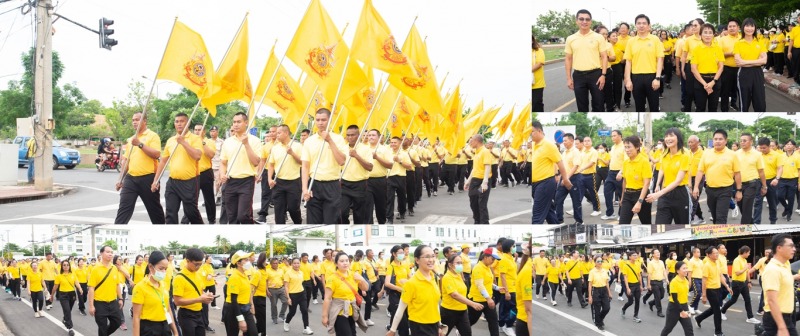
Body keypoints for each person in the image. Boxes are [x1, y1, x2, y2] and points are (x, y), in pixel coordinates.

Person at [151, 113, 204, 224]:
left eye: (182, 121)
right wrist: (156, 180)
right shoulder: (171, 140)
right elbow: (163, 162)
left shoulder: (195, 139)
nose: (179, 124)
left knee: (191, 213)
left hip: (190, 181)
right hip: (173, 182)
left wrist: (183, 142)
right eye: (177, 121)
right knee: (170, 213)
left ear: (187, 123)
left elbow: (197, 156)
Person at [301, 108, 349, 224]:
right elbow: (305, 166)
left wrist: (329, 140)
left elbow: (341, 161)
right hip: (314, 184)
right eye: (317, 120)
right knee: (313, 222)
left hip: (332, 185)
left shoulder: (338, 139)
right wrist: (304, 188)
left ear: (329, 120)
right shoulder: (309, 141)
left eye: (323, 120)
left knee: (331, 221)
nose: (320, 123)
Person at [388, 245, 442, 336]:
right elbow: (400, 309)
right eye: (427, 256)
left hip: (434, 324)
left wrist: (439, 325)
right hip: (419, 327)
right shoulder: (411, 283)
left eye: (433, 256)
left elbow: (435, 304)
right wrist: (392, 330)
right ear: (417, 260)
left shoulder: (433, 278)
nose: (431, 259)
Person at [219, 112, 262, 224]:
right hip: (230, 181)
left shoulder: (254, 141)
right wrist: (222, 174)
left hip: (246, 181)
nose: (236, 124)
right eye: (234, 122)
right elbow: (223, 162)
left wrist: (246, 144)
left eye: (239, 122)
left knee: (243, 216)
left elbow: (256, 162)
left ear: (246, 123)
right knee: (232, 217)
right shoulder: (227, 142)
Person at [693, 129, 742, 224]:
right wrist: (696, 187)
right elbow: (700, 171)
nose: (718, 141)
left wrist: (739, 191)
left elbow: (737, 173)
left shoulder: (732, 155)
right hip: (710, 190)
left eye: (720, 139)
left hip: (725, 190)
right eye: (715, 139)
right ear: (713, 140)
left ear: (726, 141)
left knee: (721, 218)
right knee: (715, 217)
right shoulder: (706, 153)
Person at [564, 9, 608, 112]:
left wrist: (603, 75)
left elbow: (604, 56)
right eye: (581, 19)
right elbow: (568, 58)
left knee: (599, 104)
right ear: (577, 21)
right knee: (582, 106)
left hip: (596, 75)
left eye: (587, 19)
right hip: (578, 76)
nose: (584, 21)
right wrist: (569, 78)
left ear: (591, 21)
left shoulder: (598, 37)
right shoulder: (571, 38)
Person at [646, 128, 690, 224]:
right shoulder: (664, 154)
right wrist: (657, 184)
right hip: (665, 194)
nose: (668, 138)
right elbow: (662, 169)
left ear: (678, 138)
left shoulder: (684, 155)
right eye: (666, 136)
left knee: (682, 228)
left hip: (680, 194)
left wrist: (658, 194)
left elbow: (678, 181)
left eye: (671, 136)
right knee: (660, 227)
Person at [530, 121, 572, 224]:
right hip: (535, 183)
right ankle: (557, 228)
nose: (529, 134)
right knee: (548, 212)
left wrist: (565, 178)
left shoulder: (548, 145)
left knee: (537, 215)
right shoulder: (534, 145)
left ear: (539, 131)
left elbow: (560, 162)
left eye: (531, 132)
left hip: (545, 183)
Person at [263, 124, 304, 224]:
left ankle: (298, 223)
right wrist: (269, 179)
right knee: (279, 210)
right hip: (279, 182)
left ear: (286, 133)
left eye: (279, 133)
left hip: (294, 182)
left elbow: (303, 163)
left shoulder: (297, 146)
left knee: (293, 208)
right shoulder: (275, 148)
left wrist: (292, 153)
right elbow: (271, 165)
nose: (276, 135)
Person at [130, 251, 179, 336]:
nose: (164, 271)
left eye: (165, 269)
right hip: (149, 329)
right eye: (161, 268)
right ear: (150, 267)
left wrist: (175, 331)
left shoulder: (163, 285)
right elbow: (136, 317)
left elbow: (168, 310)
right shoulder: (140, 287)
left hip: (165, 327)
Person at [761, 233, 800, 336]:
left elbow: (783, 280)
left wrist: (796, 277)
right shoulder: (772, 269)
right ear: (779, 248)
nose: (794, 249)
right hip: (776, 319)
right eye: (790, 246)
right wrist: (782, 327)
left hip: (787, 316)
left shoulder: (785, 264)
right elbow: (772, 300)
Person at [323, 251, 370, 335]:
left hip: (352, 310)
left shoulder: (353, 275)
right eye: (341, 261)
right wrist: (325, 316)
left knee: (352, 333)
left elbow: (365, 288)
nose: (345, 263)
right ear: (336, 264)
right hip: (339, 311)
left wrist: (362, 279)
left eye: (346, 260)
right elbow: (327, 298)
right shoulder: (332, 278)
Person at [624, 14, 664, 112]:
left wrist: (657, 78)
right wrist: (628, 80)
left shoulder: (655, 40)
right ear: (635, 25)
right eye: (639, 23)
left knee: (654, 107)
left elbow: (660, 59)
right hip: (636, 78)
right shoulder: (631, 41)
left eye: (644, 23)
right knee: (639, 107)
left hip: (652, 77)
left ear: (649, 25)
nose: (641, 25)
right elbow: (628, 62)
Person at [173, 248, 215, 336]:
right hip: (187, 315)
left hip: (199, 313)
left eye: (200, 264)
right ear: (188, 261)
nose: (198, 267)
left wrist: (207, 295)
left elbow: (200, 291)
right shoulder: (179, 278)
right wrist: (199, 299)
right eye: (196, 264)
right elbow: (177, 301)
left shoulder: (197, 274)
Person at [440, 254, 482, 336]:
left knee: (467, 333)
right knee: (443, 334)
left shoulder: (458, 275)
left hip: (462, 311)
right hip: (449, 311)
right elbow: (454, 295)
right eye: (458, 263)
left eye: (461, 263)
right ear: (450, 264)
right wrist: (472, 304)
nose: (460, 265)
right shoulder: (447, 277)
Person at [338, 125, 373, 224]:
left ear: (358, 135)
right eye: (348, 135)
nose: (350, 137)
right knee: (342, 212)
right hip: (345, 185)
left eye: (352, 135)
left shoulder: (366, 149)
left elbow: (370, 167)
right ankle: (345, 228)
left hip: (360, 185)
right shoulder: (342, 148)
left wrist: (356, 156)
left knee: (359, 215)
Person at [694, 246, 732, 335]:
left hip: (718, 289)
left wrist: (727, 286)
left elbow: (720, 276)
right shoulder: (707, 265)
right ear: (709, 255)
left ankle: (698, 318)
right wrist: (704, 295)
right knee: (717, 311)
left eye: (717, 253)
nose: (716, 254)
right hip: (710, 290)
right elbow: (704, 281)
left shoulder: (717, 263)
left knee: (714, 309)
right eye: (714, 253)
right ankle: (718, 332)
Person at [88, 245, 123, 336]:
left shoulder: (114, 268)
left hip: (113, 302)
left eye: (111, 252)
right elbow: (91, 288)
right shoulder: (96, 269)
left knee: (117, 322)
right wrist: (91, 306)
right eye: (107, 252)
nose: (110, 254)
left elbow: (117, 285)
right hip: (100, 304)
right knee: (102, 327)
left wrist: (120, 298)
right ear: (101, 253)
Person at [734, 18, 768, 111]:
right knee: (744, 104)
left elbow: (764, 60)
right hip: (744, 73)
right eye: (747, 26)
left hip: (758, 73)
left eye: (752, 26)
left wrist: (745, 62)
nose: (749, 28)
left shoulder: (759, 42)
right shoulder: (738, 43)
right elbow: (738, 62)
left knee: (760, 104)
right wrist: (756, 61)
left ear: (755, 28)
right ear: (743, 28)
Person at [689, 24, 725, 111]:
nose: (708, 35)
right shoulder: (696, 49)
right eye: (705, 32)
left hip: (715, 81)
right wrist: (704, 84)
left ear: (714, 35)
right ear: (700, 34)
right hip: (700, 81)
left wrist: (713, 82)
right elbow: (693, 69)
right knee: (700, 108)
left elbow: (721, 67)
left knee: (713, 108)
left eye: (710, 33)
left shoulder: (718, 48)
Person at [618, 136, 653, 224]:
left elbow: (646, 184)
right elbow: (625, 181)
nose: (627, 150)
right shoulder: (626, 162)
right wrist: (622, 197)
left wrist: (639, 202)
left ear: (637, 147)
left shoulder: (644, 161)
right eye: (625, 147)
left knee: (646, 224)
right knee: (623, 223)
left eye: (629, 147)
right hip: (628, 195)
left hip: (641, 195)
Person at [720, 246, 759, 324]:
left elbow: (747, 272)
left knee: (747, 300)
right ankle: (722, 311)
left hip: (744, 283)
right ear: (744, 252)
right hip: (737, 283)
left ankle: (750, 317)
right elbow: (737, 273)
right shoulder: (737, 260)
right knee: (733, 300)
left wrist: (749, 282)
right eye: (748, 253)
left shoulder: (744, 260)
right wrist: (745, 268)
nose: (749, 254)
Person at [734, 133, 767, 224]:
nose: (742, 142)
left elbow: (761, 172)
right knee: (741, 207)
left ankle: (743, 231)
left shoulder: (757, 154)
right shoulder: (736, 154)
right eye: (741, 141)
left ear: (751, 142)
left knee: (747, 207)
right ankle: (751, 224)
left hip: (751, 184)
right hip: (739, 185)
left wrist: (764, 186)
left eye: (745, 141)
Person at [222, 251, 257, 336]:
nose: (248, 262)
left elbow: (248, 292)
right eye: (245, 260)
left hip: (245, 308)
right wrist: (240, 319)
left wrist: (251, 304)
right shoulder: (234, 277)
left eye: (248, 260)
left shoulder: (244, 275)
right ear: (238, 263)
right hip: (233, 309)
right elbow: (234, 300)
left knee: (253, 333)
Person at [190, 124, 218, 223]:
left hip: (206, 173)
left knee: (209, 198)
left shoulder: (209, 142)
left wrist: (202, 142)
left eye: (200, 130)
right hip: (193, 173)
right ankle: (187, 219)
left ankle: (212, 219)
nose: (197, 132)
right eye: (196, 130)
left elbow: (211, 155)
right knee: (190, 199)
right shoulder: (191, 141)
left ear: (204, 131)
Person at [554, 133, 584, 224]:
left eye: (565, 141)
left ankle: (579, 221)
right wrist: (559, 175)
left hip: (574, 178)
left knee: (576, 201)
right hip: (563, 178)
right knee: (558, 199)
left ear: (571, 140)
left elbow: (575, 166)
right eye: (563, 141)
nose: (564, 143)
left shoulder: (575, 152)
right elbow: (562, 166)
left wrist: (566, 178)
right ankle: (559, 220)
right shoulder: (564, 152)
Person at [754, 138, 784, 224]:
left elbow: (780, 168)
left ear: (769, 146)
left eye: (764, 148)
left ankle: (773, 221)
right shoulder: (757, 155)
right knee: (757, 203)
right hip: (759, 181)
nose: (762, 150)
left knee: (772, 203)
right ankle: (756, 222)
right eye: (760, 148)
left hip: (771, 182)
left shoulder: (777, 155)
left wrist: (777, 178)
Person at [365, 130, 393, 224]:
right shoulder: (363, 148)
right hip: (366, 181)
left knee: (381, 206)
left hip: (380, 181)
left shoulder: (385, 149)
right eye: (369, 135)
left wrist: (377, 157)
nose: (371, 137)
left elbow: (390, 165)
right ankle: (370, 225)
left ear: (379, 137)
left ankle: (382, 223)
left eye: (373, 135)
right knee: (368, 206)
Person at [659, 261, 693, 336]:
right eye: (684, 268)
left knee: (689, 330)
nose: (686, 270)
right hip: (674, 308)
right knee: (668, 328)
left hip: (684, 306)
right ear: (678, 271)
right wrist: (681, 311)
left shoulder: (686, 280)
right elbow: (675, 299)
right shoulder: (674, 282)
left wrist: (685, 309)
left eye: (686, 268)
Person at [466, 134, 493, 224]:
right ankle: (477, 220)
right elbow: (474, 168)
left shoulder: (485, 151)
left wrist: (485, 181)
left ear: (477, 141)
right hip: (475, 181)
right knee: (473, 201)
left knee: (482, 204)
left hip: (483, 182)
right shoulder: (477, 152)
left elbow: (487, 166)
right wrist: (468, 181)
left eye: (471, 140)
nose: (470, 142)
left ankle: (484, 223)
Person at [52, 260, 84, 336]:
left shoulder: (73, 274)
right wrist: (52, 295)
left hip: (72, 294)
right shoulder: (59, 276)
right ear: (62, 267)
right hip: (63, 295)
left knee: (69, 310)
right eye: (64, 265)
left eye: (67, 265)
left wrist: (80, 289)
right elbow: (55, 287)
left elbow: (76, 282)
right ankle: (70, 328)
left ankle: (65, 319)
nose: (66, 266)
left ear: (69, 266)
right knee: (67, 310)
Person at [680, 18, 705, 112]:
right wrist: (682, 69)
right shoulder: (688, 40)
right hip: (690, 66)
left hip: (703, 67)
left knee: (701, 91)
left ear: (702, 26)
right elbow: (684, 55)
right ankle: (687, 109)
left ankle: (700, 110)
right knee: (689, 91)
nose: (693, 27)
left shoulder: (707, 38)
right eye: (692, 25)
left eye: (695, 25)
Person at [386, 137, 413, 224]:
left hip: (401, 177)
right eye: (392, 142)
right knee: (389, 198)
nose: (393, 144)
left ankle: (402, 213)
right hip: (390, 177)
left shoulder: (404, 154)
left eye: (395, 142)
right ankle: (389, 218)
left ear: (400, 143)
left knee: (402, 197)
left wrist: (399, 161)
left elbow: (409, 167)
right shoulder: (387, 153)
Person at [283, 258, 312, 334]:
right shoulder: (288, 273)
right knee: (292, 312)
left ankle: (306, 327)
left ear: (300, 264)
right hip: (293, 295)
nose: (296, 265)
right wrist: (288, 298)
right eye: (295, 263)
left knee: (304, 310)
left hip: (302, 294)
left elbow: (301, 283)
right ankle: (286, 322)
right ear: (292, 264)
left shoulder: (301, 273)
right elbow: (286, 286)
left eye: (298, 263)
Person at [719, 19, 741, 112]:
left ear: (738, 27)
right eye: (730, 26)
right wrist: (730, 54)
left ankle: (734, 104)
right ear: (727, 28)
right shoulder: (722, 40)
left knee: (738, 89)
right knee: (725, 91)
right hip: (726, 69)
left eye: (734, 26)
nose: (732, 28)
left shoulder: (742, 39)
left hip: (740, 68)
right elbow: (718, 55)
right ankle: (724, 109)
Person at [256, 126, 277, 223]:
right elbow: (262, 161)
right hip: (267, 170)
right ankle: (263, 214)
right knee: (265, 193)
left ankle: (283, 212)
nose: (272, 133)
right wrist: (259, 173)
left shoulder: (284, 145)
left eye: (274, 131)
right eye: (271, 132)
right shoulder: (266, 146)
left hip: (279, 172)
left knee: (279, 195)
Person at [602, 130, 624, 220]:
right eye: (612, 136)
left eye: (614, 136)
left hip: (620, 172)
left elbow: (626, 161)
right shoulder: (613, 147)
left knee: (620, 194)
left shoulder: (624, 146)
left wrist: (621, 172)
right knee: (607, 192)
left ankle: (621, 214)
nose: (613, 138)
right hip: (611, 172)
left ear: (620, 136)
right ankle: (609, 213)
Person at [577, 136, 601, 216]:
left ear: (591, 142)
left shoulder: (593, 151)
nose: (586, 142)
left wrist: (583, 168)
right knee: (579, 192)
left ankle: (597, 209)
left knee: (593, 192)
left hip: (590, 175)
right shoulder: (582, 152)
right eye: (585, 141)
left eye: (588, 141)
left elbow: (592, 163)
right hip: (581, 175)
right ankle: (576, 208)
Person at [587, 256, 612, 331]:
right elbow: (590, 284)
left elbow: (607, 283)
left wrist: (609, 293)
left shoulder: (605, 271)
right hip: (596, 290)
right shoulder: (592, 272)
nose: (600, 263)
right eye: (598, 261)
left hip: (604, 290)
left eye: (601, 261)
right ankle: (598, 323)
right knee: (597, 309)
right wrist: (590, 296)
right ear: (595, 262)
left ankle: (600, 319)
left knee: (607, 308)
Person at [621, 250, 643, 323]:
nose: (635, 256)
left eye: (636, 255)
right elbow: (625, 277)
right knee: (630, 301)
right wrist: (627, 288)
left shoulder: (638, 264)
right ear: (629, 257)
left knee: (637, 301)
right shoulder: (626, 265)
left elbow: (639, 275)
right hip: (630, 285)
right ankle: (623, 309)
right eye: (633, 255)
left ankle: (635, 316)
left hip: (637, 284)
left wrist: (641, 286)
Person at [645, 249, 666, 317]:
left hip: (661, 281)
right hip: (654, 282)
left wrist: (667, 279)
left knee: (662, 295)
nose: (658, 253)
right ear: (653, 255)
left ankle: (651, 303)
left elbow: (664, 271)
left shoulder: (661, 262)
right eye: (656, 252)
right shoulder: (651, 263)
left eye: (659, 252)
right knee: (657, 297)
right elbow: (649, 274)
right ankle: (659, 311)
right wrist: (648, 284)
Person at [532, 35, 545, 112]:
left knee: (536, 105)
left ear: (532, 40)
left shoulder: (538, 51)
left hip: (537, 84)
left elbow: (540, 63)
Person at [789, 15, 800, 86]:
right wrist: (789, 51)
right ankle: (796, 81)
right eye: (799, 18)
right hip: (796, 49)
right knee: (796, 65)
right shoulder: (794, 29)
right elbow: (791, 41)